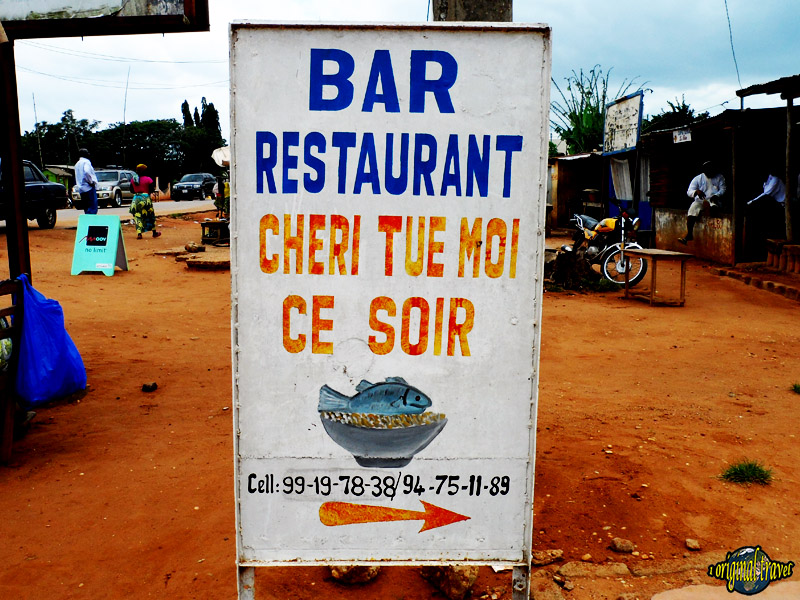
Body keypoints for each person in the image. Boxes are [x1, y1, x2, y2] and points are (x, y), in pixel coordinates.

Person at [678, 161, 726, 244]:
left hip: (714, 200)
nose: (710, 171)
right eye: (707, 170)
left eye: (711, 169)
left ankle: (710, 209)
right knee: (692, 210)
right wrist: (696, 192)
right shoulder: (698, 178)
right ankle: (689, 234)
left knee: (714, 208)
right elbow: (689, 191)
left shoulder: (720, 177)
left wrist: (717, 195)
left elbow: (723, 189)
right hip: (700, 201)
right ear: (704, 170)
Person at [129, 164, 161, 239]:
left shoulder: (133, 179)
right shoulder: (148, 179)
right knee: (150, 216)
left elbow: (131, 190)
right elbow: (151, 189)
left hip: (136, 198)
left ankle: (139, 234)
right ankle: (154, 233)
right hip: (145, 198)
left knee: (137, 216)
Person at [74, 148, 99, 215]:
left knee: (86, 207)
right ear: (84, 154)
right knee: (92, 207)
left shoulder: (77, 164)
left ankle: (87, 222)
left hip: (81, 189)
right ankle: (91, 222)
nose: (89, 154)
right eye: (87, 152)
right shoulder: (86, 162)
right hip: (88, 187)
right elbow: (87, 172)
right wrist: (91, 182)